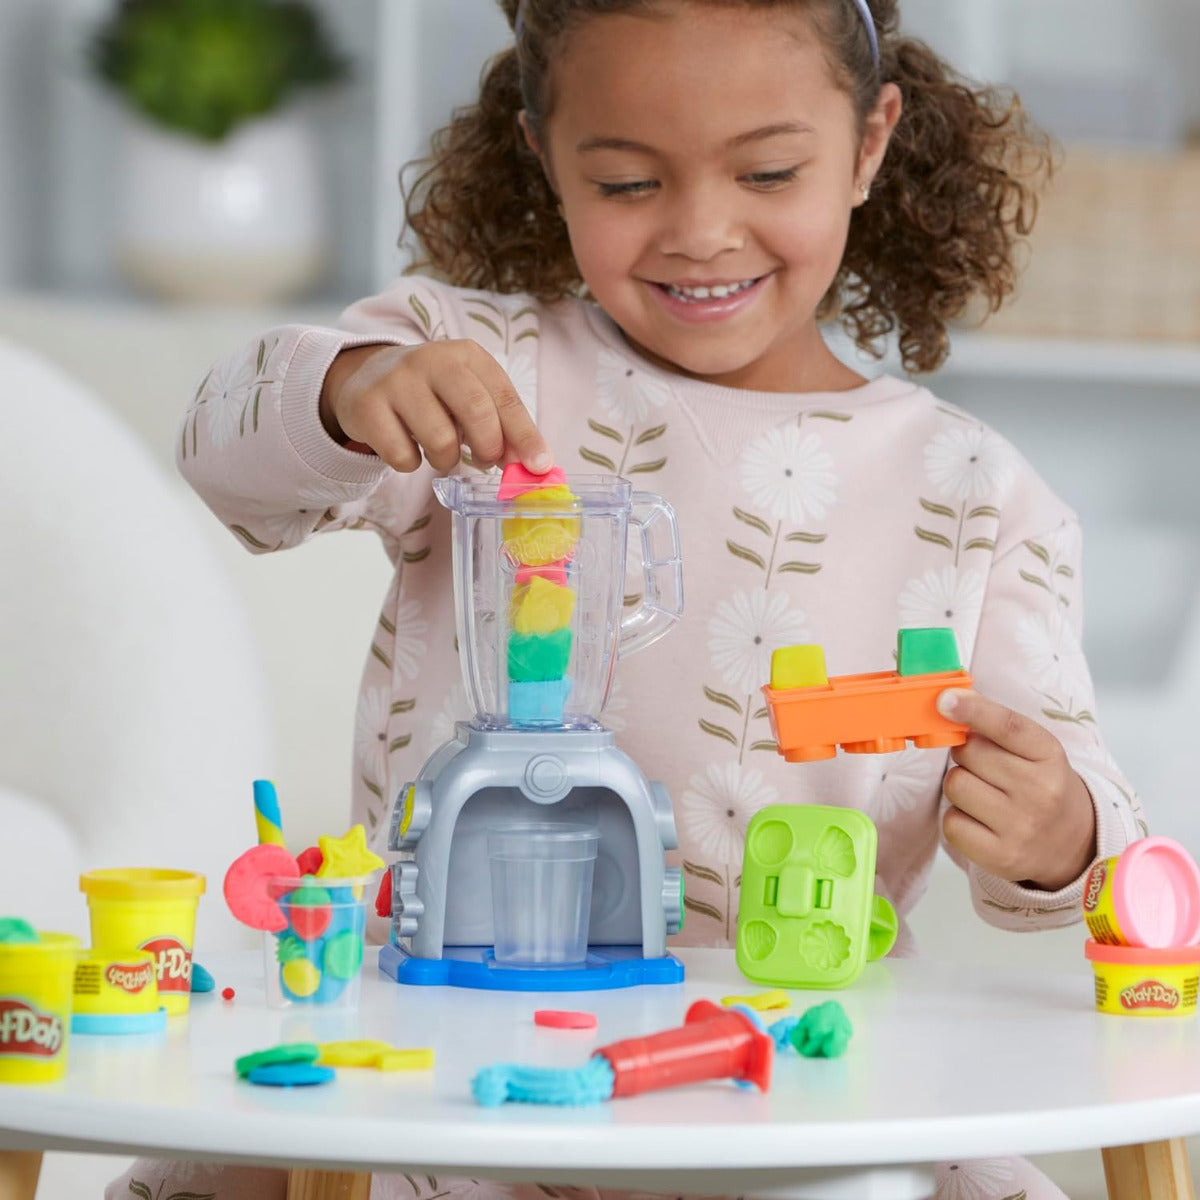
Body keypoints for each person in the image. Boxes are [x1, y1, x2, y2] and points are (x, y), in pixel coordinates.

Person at [109, 2, 1145, 1198]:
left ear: (869, 143)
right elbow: (224, 453)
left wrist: (1062, 834)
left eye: (767, 172)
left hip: (788, 1090)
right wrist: (351, 390)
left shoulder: (975, 493)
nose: (701, 232)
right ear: (545, 156)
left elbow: (1108, 846)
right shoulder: (476, 370)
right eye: (627, 182)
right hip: (444, 1073)